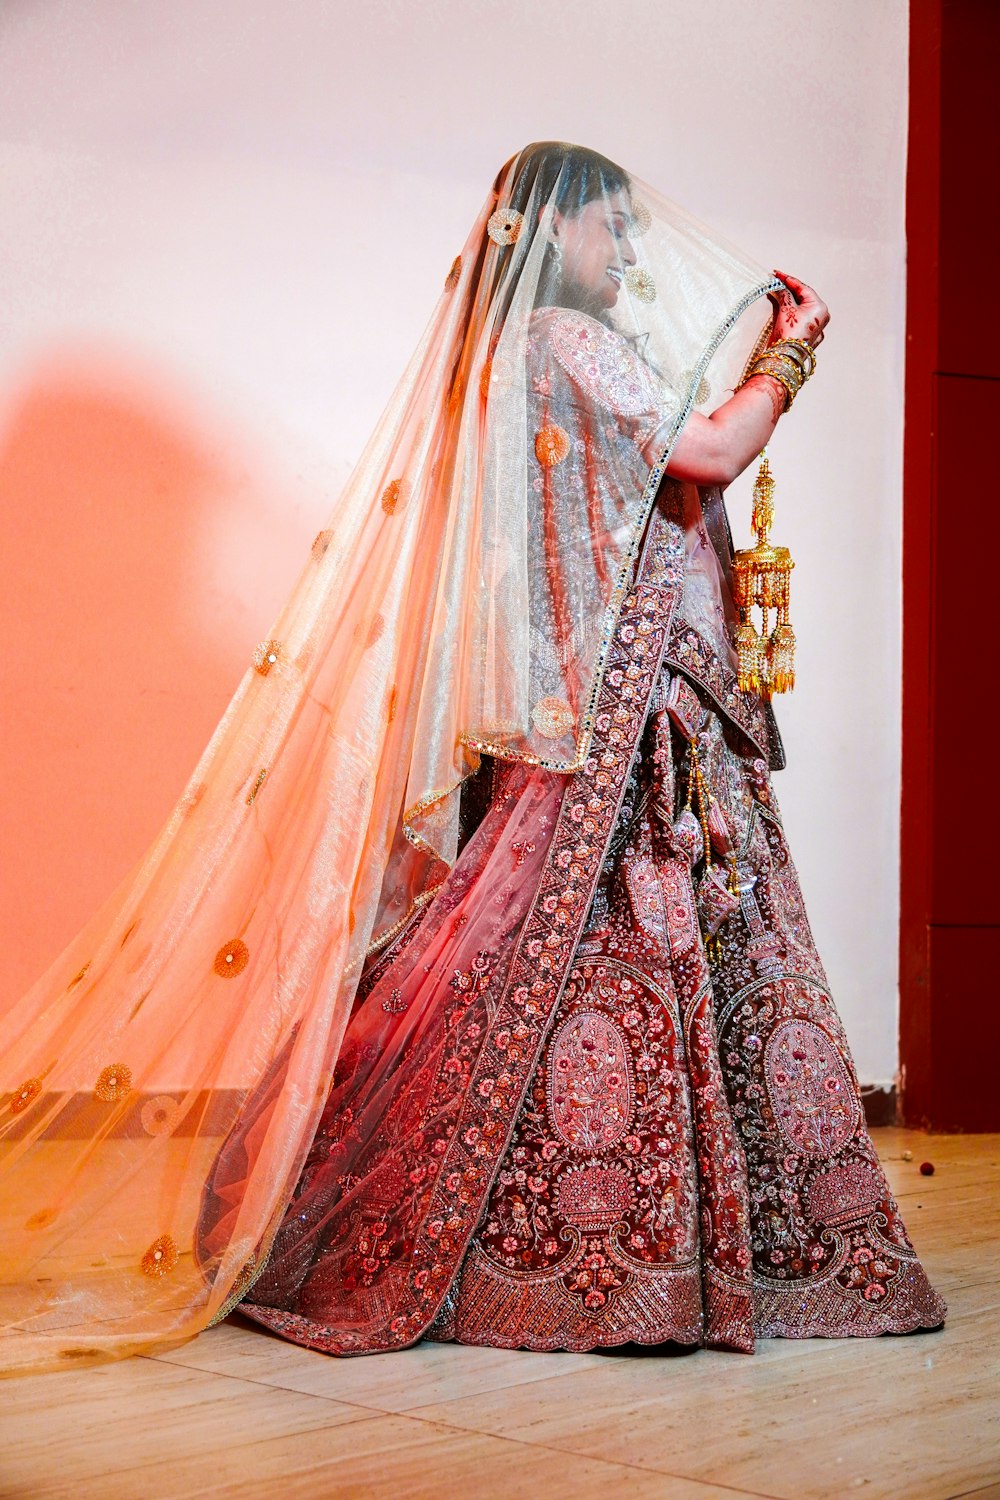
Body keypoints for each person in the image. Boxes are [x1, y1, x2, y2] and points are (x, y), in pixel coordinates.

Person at [0, 143, 945, 1373]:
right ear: (552, 237)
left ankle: (630, 1246)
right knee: (606, 954)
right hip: (628, 714)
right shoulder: (562, 340)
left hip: (614, 704)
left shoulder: (529, 357)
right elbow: (709, 453)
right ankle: (604, 1255)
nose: (631, 249)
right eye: (612, 227)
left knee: (579, 963)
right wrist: (791, 349)